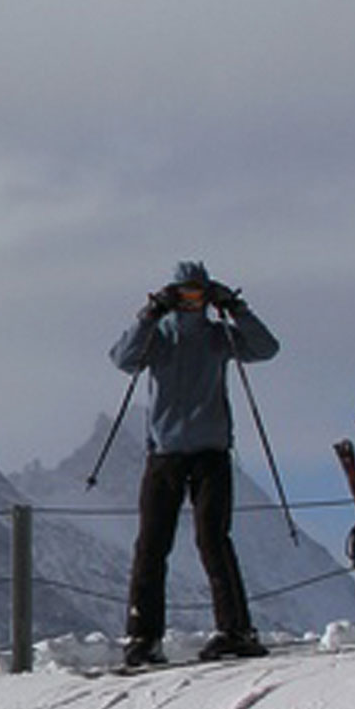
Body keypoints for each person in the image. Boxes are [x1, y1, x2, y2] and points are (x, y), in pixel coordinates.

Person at [110, 260, 282, 667]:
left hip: (202, 453)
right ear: (173, 294)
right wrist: (148, 315)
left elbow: (266, 348)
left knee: (209, 540)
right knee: (154, 546)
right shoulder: (160, 337)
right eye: (183, 293)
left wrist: (237, 308)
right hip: (172, 453)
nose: (191, 302)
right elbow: (123, 359)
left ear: (207, 296)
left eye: (197, 294)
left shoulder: (216, 336)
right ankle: (146, 636)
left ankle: (230, 631)